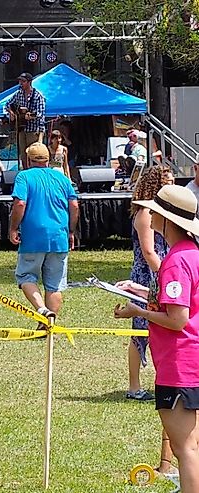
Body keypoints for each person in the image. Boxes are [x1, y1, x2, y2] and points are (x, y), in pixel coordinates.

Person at [114, 184, 199, 492]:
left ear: (165, 219)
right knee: (190, 446)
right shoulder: (191, 254)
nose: (147, 216)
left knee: (184, 449)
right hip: (190, 359)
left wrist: (139, 311)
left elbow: (177, 319)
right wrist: (142, 292)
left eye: (153, 211)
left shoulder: (176, 260)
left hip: (181, 363)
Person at [9, 143, 79, 326]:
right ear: (48, 159)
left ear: (27, 160)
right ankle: (49, 325)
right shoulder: (62, 178)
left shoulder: (23, 177)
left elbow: (20, 204)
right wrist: (71, 231)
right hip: (59, 236)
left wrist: (13, 228)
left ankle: (42, 311)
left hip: (33, 236)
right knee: (54, 284)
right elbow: (74, 205)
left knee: (26, 276)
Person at [125, 166, 174, 401]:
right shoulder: (145, 213)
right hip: (148, 276)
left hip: (163, 272)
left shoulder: (162, 213)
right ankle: (134, 387)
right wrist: (165, 276)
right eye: (168, 183)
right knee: (140, 332)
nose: (173, 187)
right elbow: (149, 251)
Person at [5, 73, 46, 170]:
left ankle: (34, 172)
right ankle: (25, 171)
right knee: (23, 154)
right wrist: (12, 113)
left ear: (29, 82)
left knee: (32, 153)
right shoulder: (18, 94)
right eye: (20, 81)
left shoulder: (37, 96)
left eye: (23, 81)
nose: (20, 83)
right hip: (21, 129)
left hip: (33, 130)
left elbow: (40, 114)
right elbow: (7, 104)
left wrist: (30, 116)